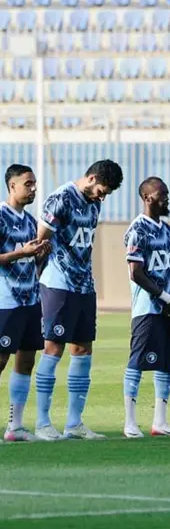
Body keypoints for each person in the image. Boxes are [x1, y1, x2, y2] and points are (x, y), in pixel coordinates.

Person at [34, 159, 123, 441]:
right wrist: (38, 283)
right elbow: (40, 243)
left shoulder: (94, 204)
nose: (102, 197)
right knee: (53, 347)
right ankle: (42, 423)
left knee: (83, 349)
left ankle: (74, 423)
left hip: (84, 286)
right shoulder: (60, 199)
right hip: (58, 284)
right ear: (92, 178)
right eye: (102, 191)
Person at [122, 177, 170, 438]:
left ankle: (160, 421)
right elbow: (136, 272)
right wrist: (165, 297)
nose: (166, 198)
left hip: (169, 309)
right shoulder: (137, 230)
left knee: (166, 363)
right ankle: (130, 422)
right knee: (137, 361)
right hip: (147, 309)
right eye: (162, 194)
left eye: (167, 193)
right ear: (147, 197)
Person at [0, 165, 50, 441]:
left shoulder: (31, 222)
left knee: (27, 360)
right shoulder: (1, 216)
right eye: (28, 184)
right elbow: (14, 255)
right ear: (12, 186)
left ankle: (15, 426)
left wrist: (40, 254)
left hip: (31, 300)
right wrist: (21, 253)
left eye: (34, 184)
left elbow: (31, 261)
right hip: (5, 302)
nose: (33, 189)